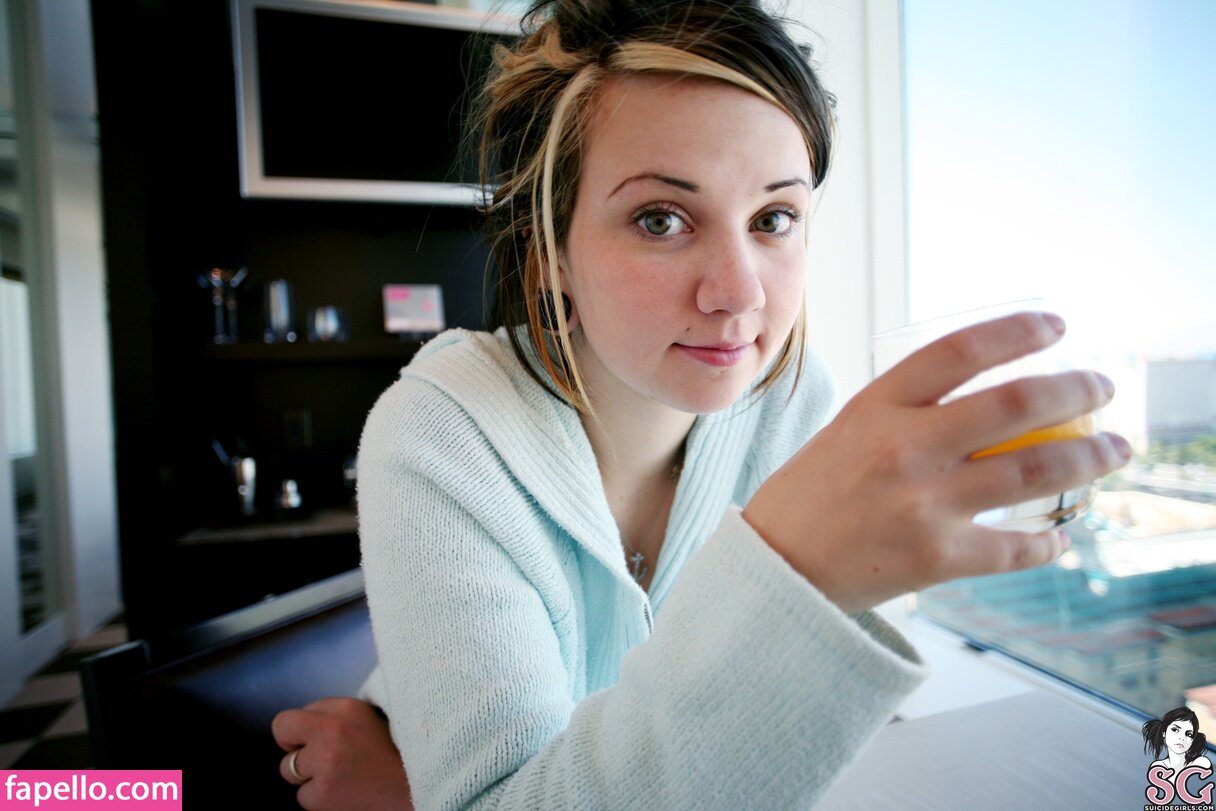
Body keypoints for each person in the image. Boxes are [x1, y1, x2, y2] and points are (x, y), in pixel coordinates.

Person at [272, 0, 1130, 807]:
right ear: (550, 251)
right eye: (661, 219)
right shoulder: (442, 435)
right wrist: (793, 572)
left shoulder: (797, 407)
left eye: (774, 217)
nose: (739, 292)